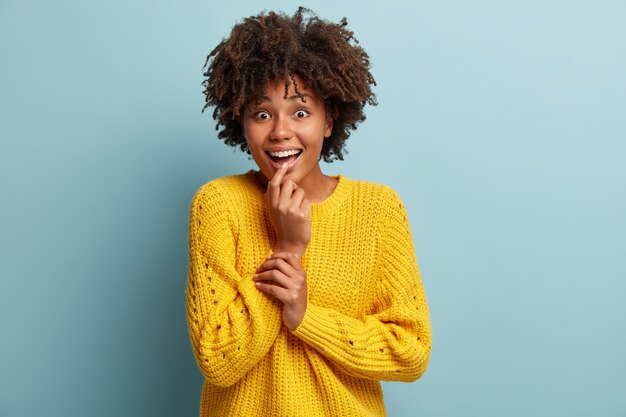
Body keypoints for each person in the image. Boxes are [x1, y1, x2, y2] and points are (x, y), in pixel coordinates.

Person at [186, 7, 432, 416]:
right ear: (242, 122)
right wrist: (288, 248)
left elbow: (411, 352)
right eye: (262, 113)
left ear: (329, 120)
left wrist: (306, 318)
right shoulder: (218, 203)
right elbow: (217, 359)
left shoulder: (378, 209)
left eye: (301, 112)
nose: (281, 131)